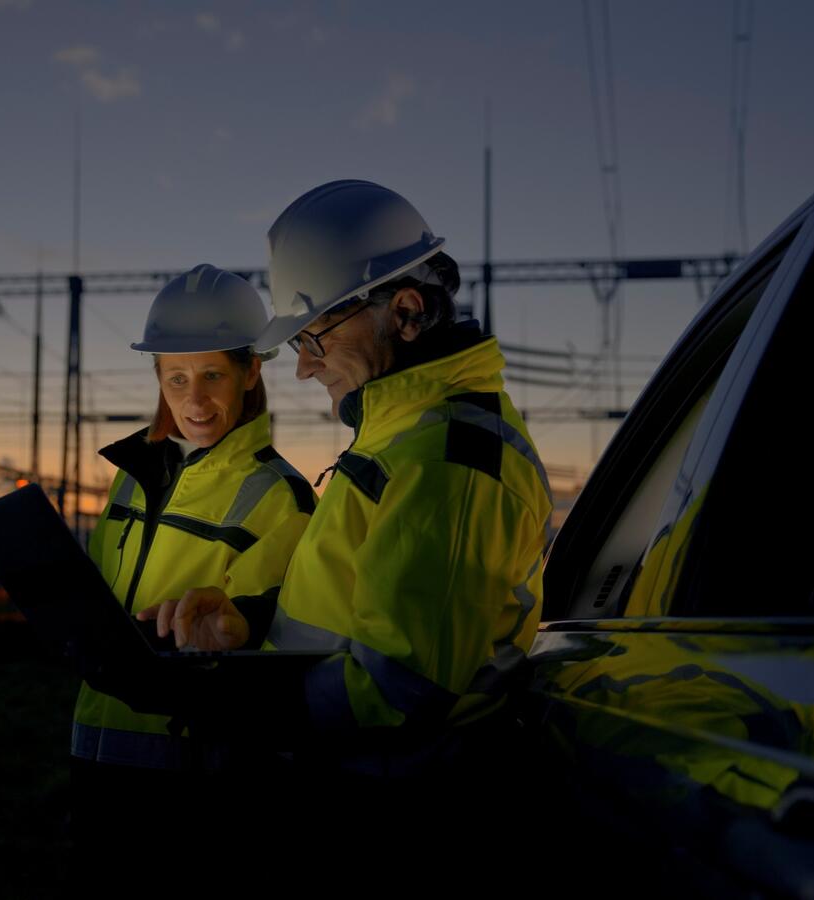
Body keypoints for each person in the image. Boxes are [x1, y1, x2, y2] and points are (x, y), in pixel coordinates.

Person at [135, 182, 554, 864]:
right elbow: (352, 609)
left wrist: (238, 704)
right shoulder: (403, 439)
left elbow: (397, 688)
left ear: (407, 313)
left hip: (388, 816)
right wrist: (249, 626)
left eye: (313, 337)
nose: (302, 367)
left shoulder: (449, 461)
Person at [70, 263, 315, 873]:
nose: (194, 399)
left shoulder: (279, 497)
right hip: (96, 750)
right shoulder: (132, 478)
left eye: (212, 375)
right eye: (176, 379)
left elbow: (276, 644)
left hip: (195, 776)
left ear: (251, 371)